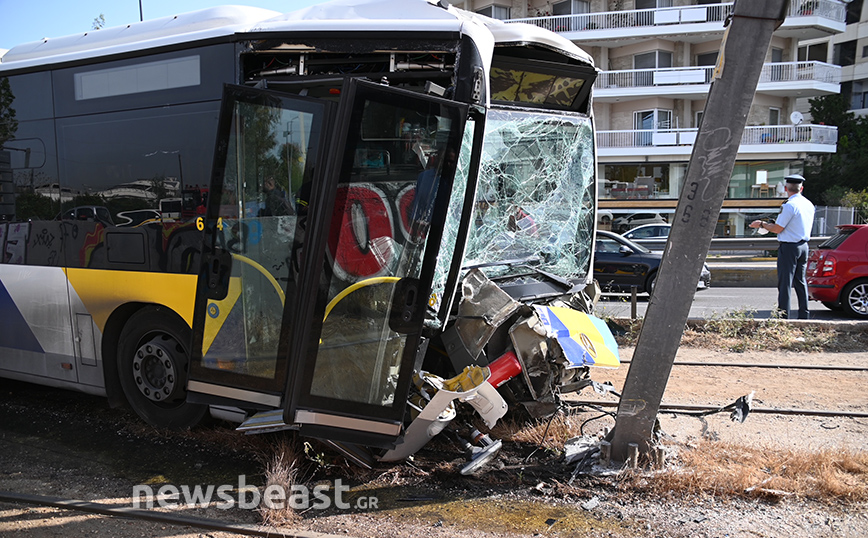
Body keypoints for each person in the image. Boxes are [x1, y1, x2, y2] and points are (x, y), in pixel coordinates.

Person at [748, 174, 815, 319]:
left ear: (786, 188)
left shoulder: (789, 205)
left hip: (790, 247)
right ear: (801, 188)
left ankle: (783, 315)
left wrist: (762, 224)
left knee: (785, 282)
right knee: (800, 281)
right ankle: (804, 314)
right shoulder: (808, 204)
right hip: (804, 246)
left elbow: (778, 228)